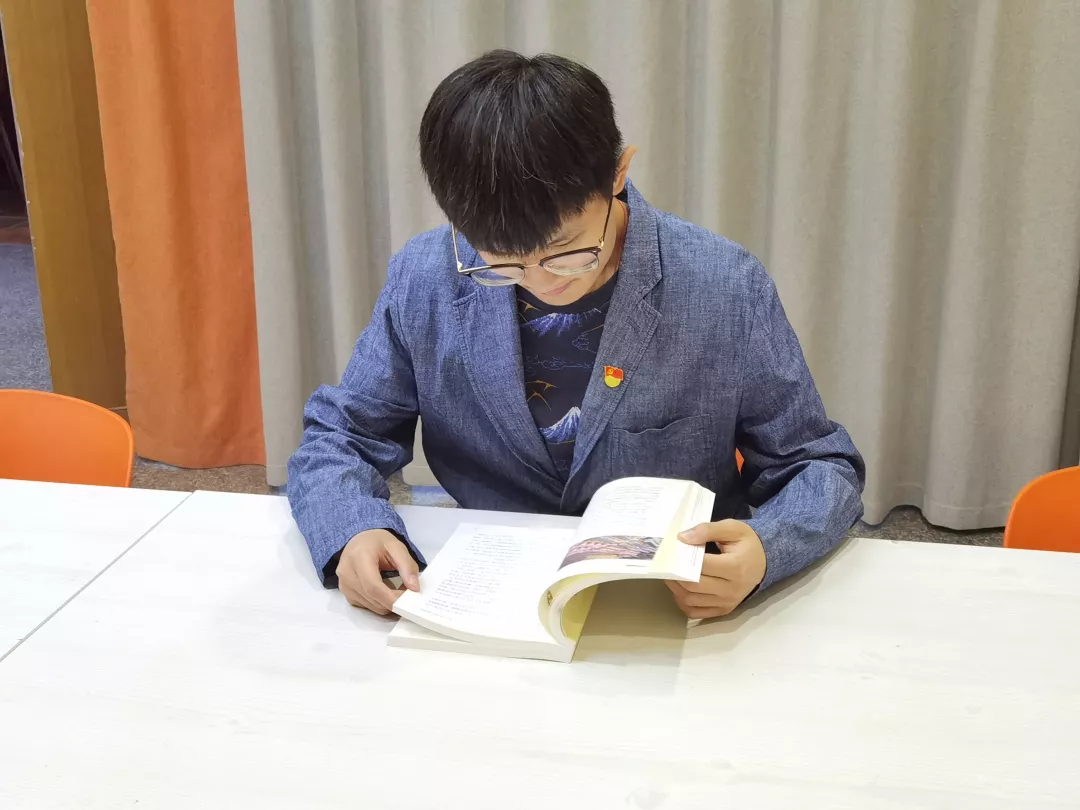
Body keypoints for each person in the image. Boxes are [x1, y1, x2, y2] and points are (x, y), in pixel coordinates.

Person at [287, 50, 865, 620]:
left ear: (618, 173)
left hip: (672, 601)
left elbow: (818, 464)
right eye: (504, 262)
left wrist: (766, 549)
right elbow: (342, 435)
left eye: (566, 251)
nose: (543, 281)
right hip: (489, 592)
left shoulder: (723, 284)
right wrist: (352, 528)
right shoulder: (427, 276)